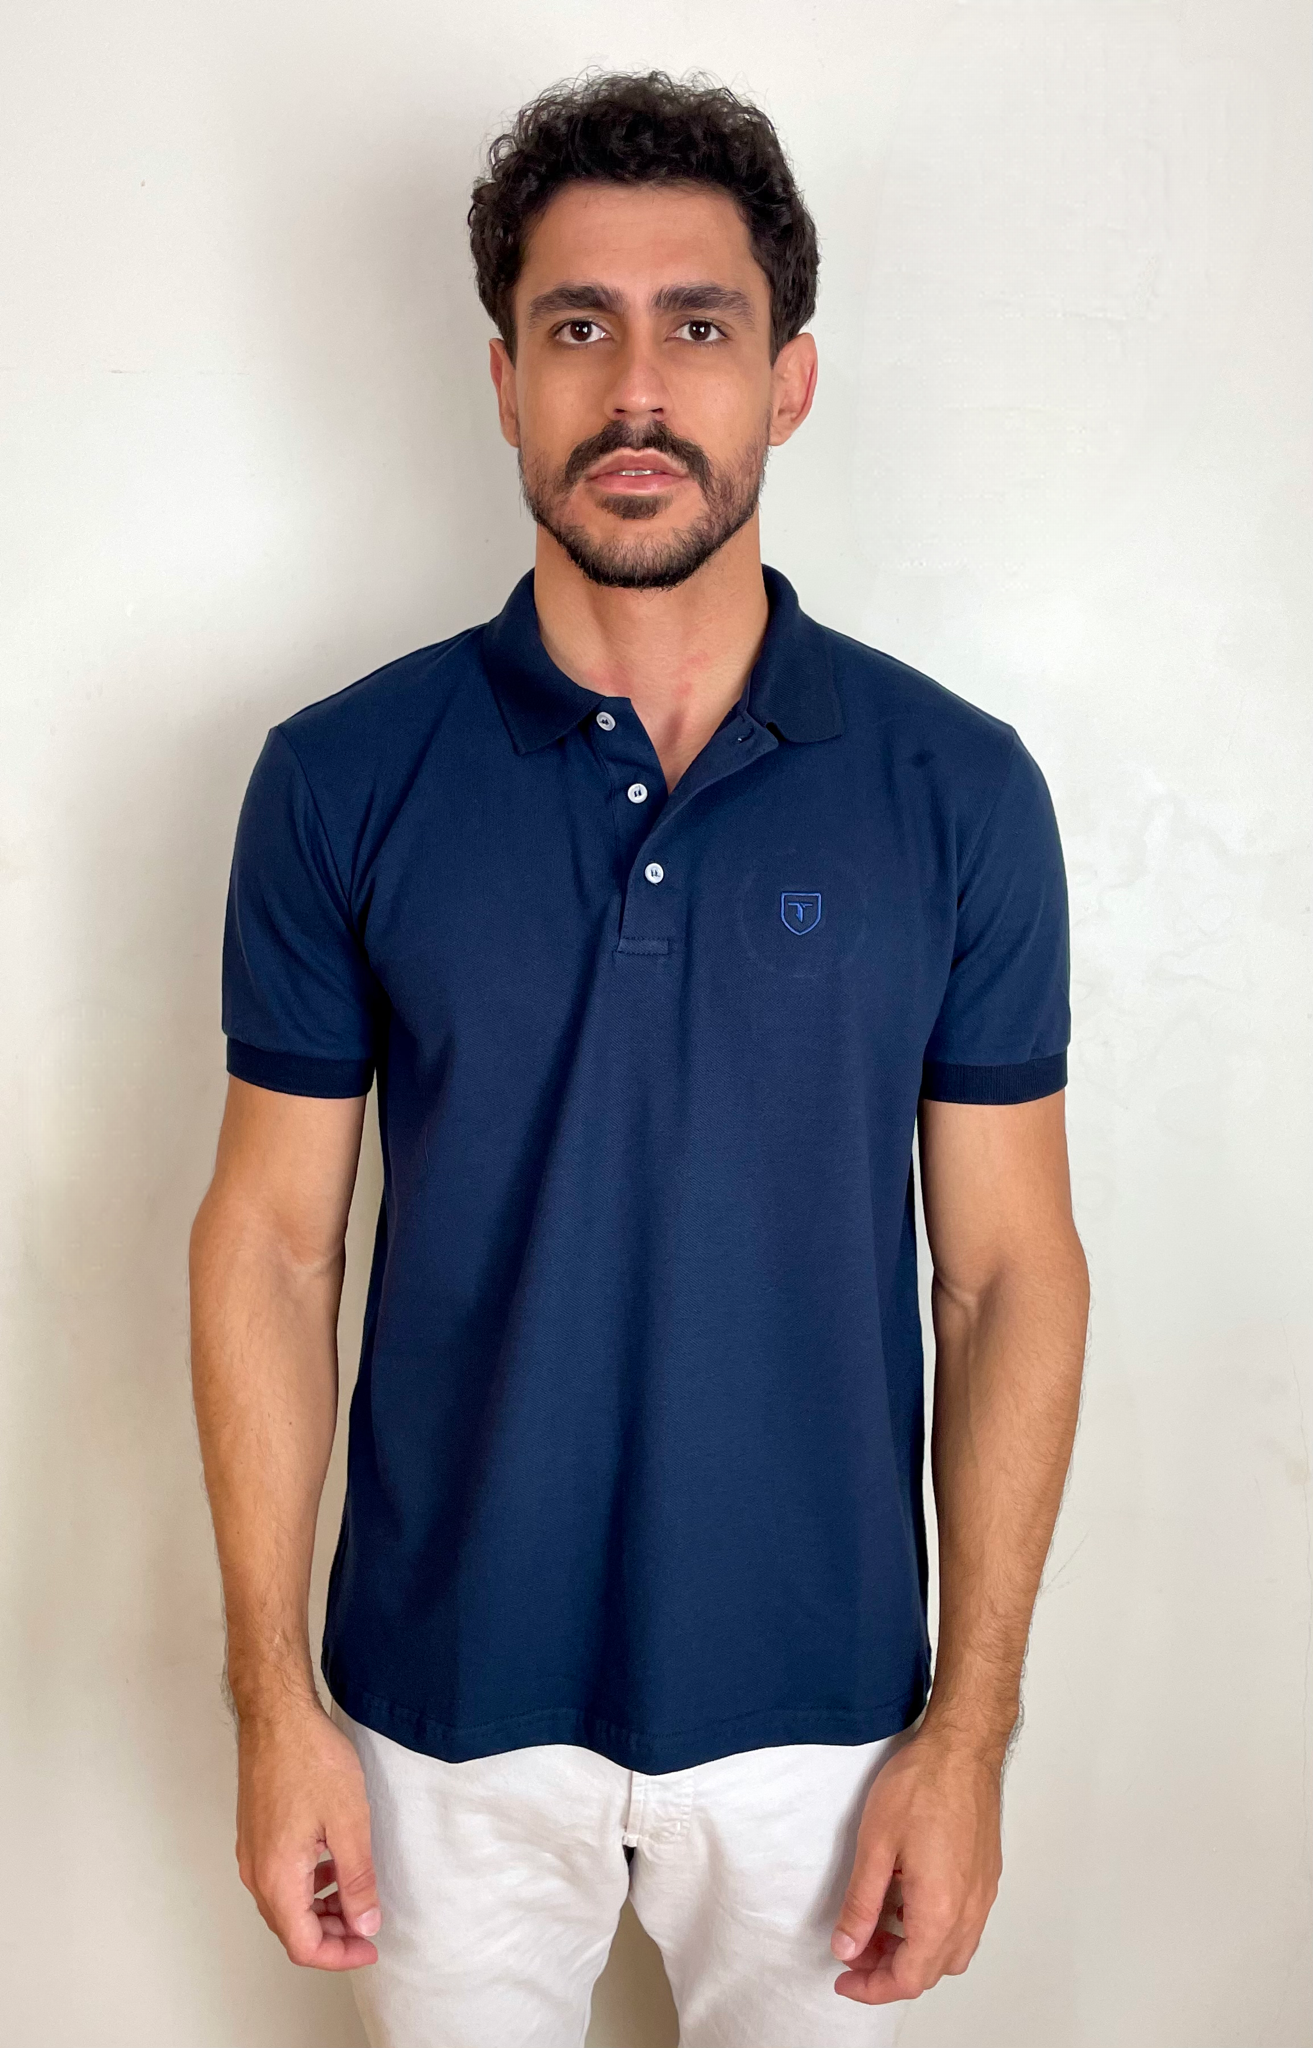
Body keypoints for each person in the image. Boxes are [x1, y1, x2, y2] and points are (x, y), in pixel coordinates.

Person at [189, 69, 1089, 2048]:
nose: (638, 388)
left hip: (830, 1725)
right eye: (578, 326)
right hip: (433, 1717)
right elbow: (269, 1243)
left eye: (700, 324)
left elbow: (1007, 1271)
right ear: (503, 380)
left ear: (789, 381)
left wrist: (966, 1734)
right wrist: (274, 1703)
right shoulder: (340, 778)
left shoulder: (956, 791)